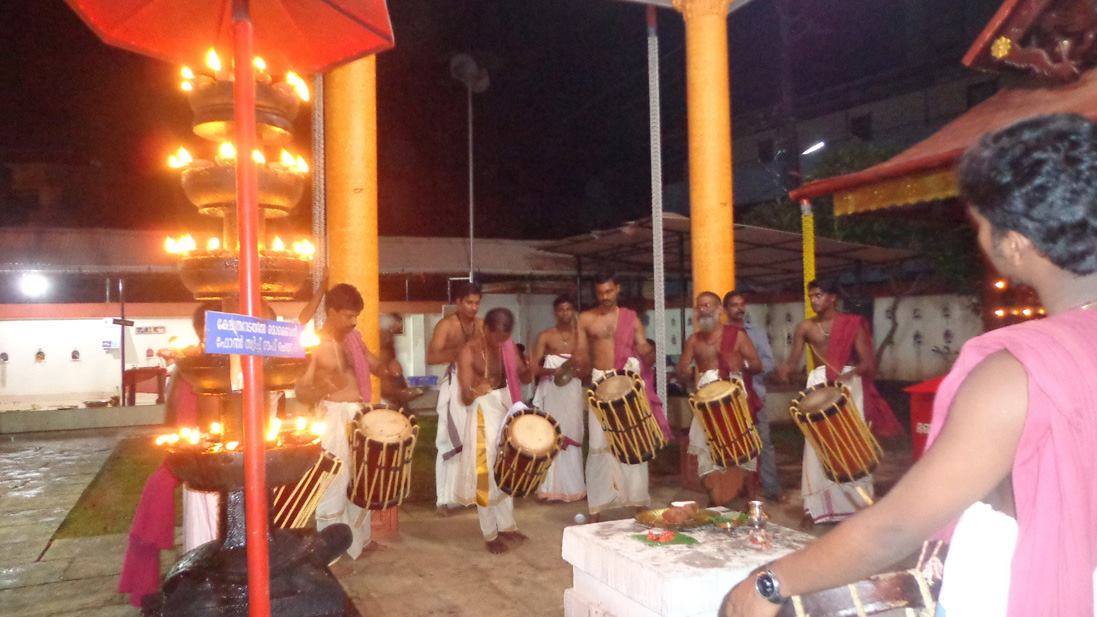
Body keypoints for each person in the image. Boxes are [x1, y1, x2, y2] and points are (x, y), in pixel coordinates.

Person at [723, 114, 1097, 617]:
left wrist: (769, 583)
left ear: (1015, 243)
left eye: (981, 225)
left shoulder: (1016, 375)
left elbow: (897, 527)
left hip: (1030, 591)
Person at [775, 278, 901, 524]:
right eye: (812, 296)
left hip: (847, 387)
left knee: (852, 441)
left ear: (833, 298)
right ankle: (815, 508)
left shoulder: (852, 324)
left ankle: (859, 505)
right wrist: (784, 370)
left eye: (819, 295)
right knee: (816, 445)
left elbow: (867, 361)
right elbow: (793, 361)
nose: (814, 300)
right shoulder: (805, 328)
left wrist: (849, 374)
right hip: (819, 386)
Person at [295, 283, 394, 560]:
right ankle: (332, 554)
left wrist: (388, 368)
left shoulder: (354, 338)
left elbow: (373, 363)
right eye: (348, 316)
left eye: (356, 316)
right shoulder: (316, 344)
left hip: (358, 413)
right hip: (333, 416)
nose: (353, 322)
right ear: (331, 312)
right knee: (334, 482)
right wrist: (325, 388)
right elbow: (301, 390)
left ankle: (359, 542)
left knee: (362, 479)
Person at [577, 271, 669, 521]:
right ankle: (597, 504)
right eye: (600, 293)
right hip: (599, 383)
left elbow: (642, 348)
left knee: (633, 441)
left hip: (626, 383)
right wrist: (579, 369)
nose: (605, 297)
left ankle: (638, 499)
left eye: (609, 291)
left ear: (617, 289)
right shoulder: (585, 319)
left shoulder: (631, 318)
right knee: (598, 445)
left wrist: (646, 353)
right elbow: (582, 354)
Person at [455, 307, 532, 553]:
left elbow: (523, 376)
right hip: (482, 414)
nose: (501, 342)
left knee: (506, 466)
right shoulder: (469, 351)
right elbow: (465, 397)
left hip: (504, 409)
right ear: (486, 329)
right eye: (497, 336)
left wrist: (531, 368)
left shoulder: (507, 346)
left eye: (505, 337)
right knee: (485, 472)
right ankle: (490, 533)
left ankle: (507, 526)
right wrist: (479, 388)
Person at [676, 291, 762, 504]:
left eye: (707, 305)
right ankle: (715, 499)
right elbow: (682, 369)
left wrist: (741, 365)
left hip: (732, 400)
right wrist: (685, 372)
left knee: (743, 450)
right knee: (708, 452)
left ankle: (751, 501)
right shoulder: (694, 341)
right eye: (699, 307)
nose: (703, 310)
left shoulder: (737, 336)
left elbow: (758, 365)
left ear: (719, 310)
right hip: (706, 403)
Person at [426, 281, 484, 515]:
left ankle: (466, 495)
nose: (473, 307)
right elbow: (432, 355)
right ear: (459, 303)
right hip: (454, 387)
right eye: (469, 302)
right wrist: (461, 353)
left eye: (477, 303)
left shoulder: (481, 325)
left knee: (473, 439)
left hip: (476, 387)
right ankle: (444, 499)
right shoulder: (446, 325)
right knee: (449, 441)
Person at [724, 290, 782, 502]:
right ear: (726, 309)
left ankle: (771, 488)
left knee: (763, 443)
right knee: (732, 445)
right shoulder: (720, 334)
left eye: (741, 304)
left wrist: (745, 366)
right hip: (728, 400)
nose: (739, 309)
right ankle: (734, 489)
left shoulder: (756, 333)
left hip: (755, 395)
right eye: (733, 305)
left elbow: (767, 363)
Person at [531, 295, 586, 502]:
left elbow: (586, 365)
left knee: (572, 432)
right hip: (552, 390)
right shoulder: (545, 336)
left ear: (573, 311)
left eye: (568, 309)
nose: (565, 313)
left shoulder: (580, 336)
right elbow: (534, 367)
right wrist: (554, 371)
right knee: (551, 432)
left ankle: (574, 488)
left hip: (571, 390)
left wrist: (577, 371)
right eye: (561, 309)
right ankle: (548, 488)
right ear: (555, 312)